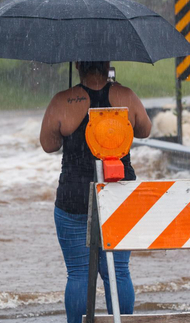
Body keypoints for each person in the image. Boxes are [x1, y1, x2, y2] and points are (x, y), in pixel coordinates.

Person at [39, 61, 152, 323]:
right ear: (109, 63)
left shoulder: (63, 101)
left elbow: (48, 144)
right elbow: (145, 130)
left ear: (77, 64)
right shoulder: (126, 96)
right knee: (118, 271)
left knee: (79, 272)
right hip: (119, 195)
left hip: (75, 198)